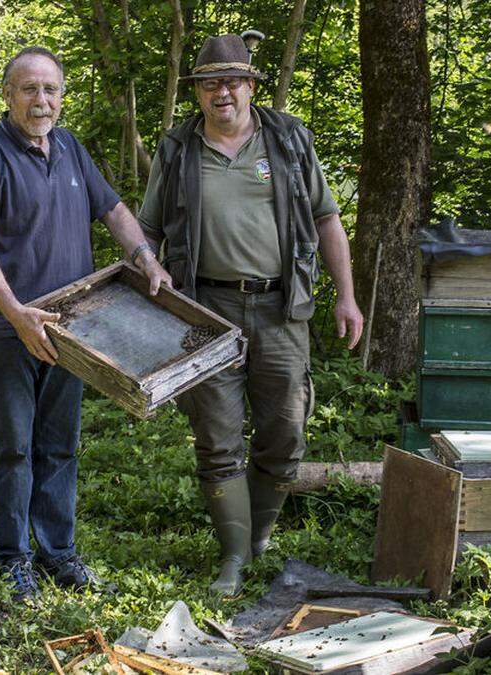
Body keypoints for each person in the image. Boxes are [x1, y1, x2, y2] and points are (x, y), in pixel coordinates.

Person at [138, 34, 364, 596]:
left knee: (285, 432)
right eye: (211, 82)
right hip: (205, 312)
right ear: (197, 91)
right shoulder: (177, 148)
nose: (223, 92)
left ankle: (259, 535)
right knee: (217, 439)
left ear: (252, 85)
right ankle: (234, 557)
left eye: (233, 80)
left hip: (281, 307)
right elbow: (146, 228)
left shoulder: (288, 140)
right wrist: (145, 277)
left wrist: (347, 295)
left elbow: (327, 220)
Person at [0, 46, 171, 603]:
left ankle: (57, 554)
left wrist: (144, 255)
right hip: (10, 328)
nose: (41, 100)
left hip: (72, 326)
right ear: (8, 95)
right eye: (28, 89)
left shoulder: (71, 149)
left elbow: (115, 210)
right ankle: (12, 559)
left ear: (61, 96)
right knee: (13, 448)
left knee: (60, 445)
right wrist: (17, 314)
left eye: (50, 90)